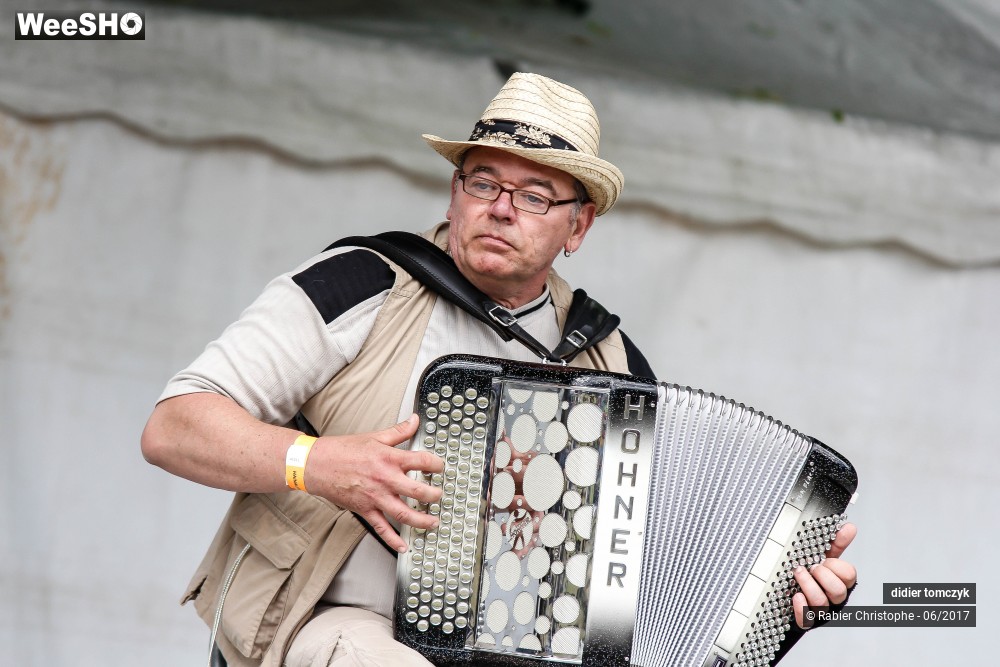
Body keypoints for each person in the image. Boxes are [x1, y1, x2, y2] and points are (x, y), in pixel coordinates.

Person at [141, 72, 856, 667]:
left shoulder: (613, 364)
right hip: (327, 619)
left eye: (536, 195)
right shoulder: (362, 284)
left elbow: (650, 568)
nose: (501, 209)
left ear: (577, 227)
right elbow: (174, 425)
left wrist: (775, 594)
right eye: (483, 182)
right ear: (453, 192)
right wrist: (317, 462)